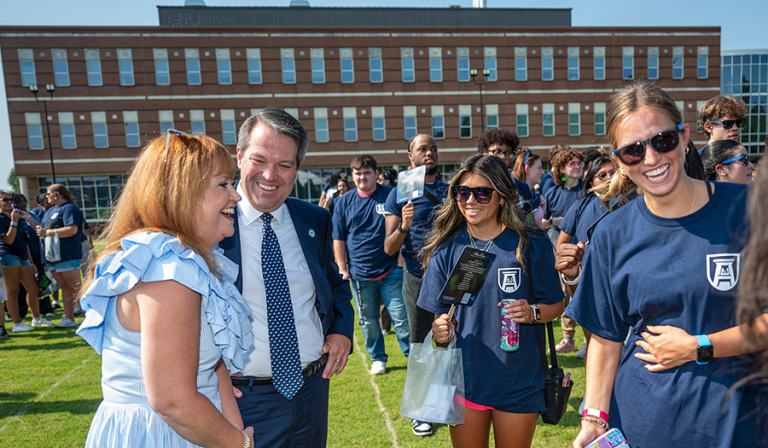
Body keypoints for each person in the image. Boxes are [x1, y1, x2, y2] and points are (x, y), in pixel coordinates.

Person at [563, 81, 768, 448]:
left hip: (740, 426)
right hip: (645, 425)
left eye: (662, 141)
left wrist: (701, 346)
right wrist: (594, 417)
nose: (652, 159)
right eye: (633, 151)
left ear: (684, 136)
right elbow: (605, 339)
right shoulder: (612, 234)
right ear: (618, 159)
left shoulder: (750, 209)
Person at [75, 130, 254, 447]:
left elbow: (211, 364)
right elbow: (173, 402)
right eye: (223, 184)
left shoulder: (176, 259)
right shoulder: (168, 269)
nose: (236, 195)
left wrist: (235, 431)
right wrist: (240, 443)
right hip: (162, 435)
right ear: (184, 192)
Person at [219, 107, 354, 447]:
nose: (270, 174)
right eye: (259, 159)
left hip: (311, 390)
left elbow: (335, 286)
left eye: (285, 165)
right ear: (239, 156)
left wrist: (340, 332)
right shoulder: (210, 223)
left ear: (297, 167)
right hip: (242, 399)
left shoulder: (314, 219)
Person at [418, 154, 564, 448]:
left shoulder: (530, 243)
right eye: (463, 192)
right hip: (465, 379)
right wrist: (440, 330)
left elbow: (557, 305)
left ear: (502, 196)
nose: (471, 200)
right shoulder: (448, 247)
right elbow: (438, 316)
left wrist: (533, 312)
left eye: (482, 192)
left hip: (518, 381)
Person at [383, 133, 448, 437]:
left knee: (450, 342)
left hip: (452, 278)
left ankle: (445, 404)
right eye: (423, 149)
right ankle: (420, 412)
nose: (430, 152)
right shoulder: (399, 194)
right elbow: (388, 247)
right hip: (418, 278)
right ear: (410, 156)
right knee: (420, 344)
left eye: (433, 148)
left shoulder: (452, 190)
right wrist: (405, 226)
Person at [333, 154, 410, 376]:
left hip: (391, 269)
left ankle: (412, 357)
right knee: (369, 322)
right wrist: (342, 267)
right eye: (357, 173)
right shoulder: (342, 202)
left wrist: (401, 258)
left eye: (367, 172)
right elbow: (338, 238)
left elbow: (406, 225)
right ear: (352, 176)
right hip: (360, 274)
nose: (362, 177)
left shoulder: (391, 195)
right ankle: (378, 358)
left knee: (401, 318)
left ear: (376, 174)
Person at [554, 155, 616, 359]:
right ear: (591, 182)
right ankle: (589, 346)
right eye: (602, 175)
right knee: (595, 331)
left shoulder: (632, 200)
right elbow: (562, 243)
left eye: (613, 173)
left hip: (618, 275)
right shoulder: (582, 204)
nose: (608, 177)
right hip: (586, 275)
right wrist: (571, 261)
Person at [0, 190, 53, 332]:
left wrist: (30, 261)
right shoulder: (3, 218)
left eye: (10, 199)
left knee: (34, 289)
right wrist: (14, 222)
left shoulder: (15, 215)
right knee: (13, 291)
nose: (9, 202)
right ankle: (17, 324)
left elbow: (25, 240)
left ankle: (36, 319)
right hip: (8, 255)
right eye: (5, 200)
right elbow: (9, 240)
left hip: (23, 256)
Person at [35, 184, 84, 328]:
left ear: (57, 194)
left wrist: (48, 233)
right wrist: (28, 218)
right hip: (53, 256)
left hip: (67, 254)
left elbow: (72, 229)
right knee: (65, 287)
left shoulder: (70, 208)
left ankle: (91, 316)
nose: (46, 196)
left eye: (48, 193)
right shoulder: (50, 210)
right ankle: (69, 319)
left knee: (75, 287)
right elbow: (42, 229)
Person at [476, 128, 537, 218]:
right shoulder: (475, 186)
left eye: (507, 152)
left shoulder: (522, 187)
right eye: (498, 152)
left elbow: (530, 219)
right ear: (485, 154)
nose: (503, 157)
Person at [542, 150, 584, 247]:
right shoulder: (552, 193)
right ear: (562, 169)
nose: (578, 167)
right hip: (557, 242)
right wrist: (553, 222)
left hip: (580, 242)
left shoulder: (587, 192)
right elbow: (542, 222)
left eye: (580, 163)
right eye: (572, 164)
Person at [512, 150, 546, 228]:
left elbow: (538, 223)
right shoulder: (518, 196)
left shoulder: (534, 196)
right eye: (540, 168)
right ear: (527, 169)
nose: (543, 172)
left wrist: (543, 206)